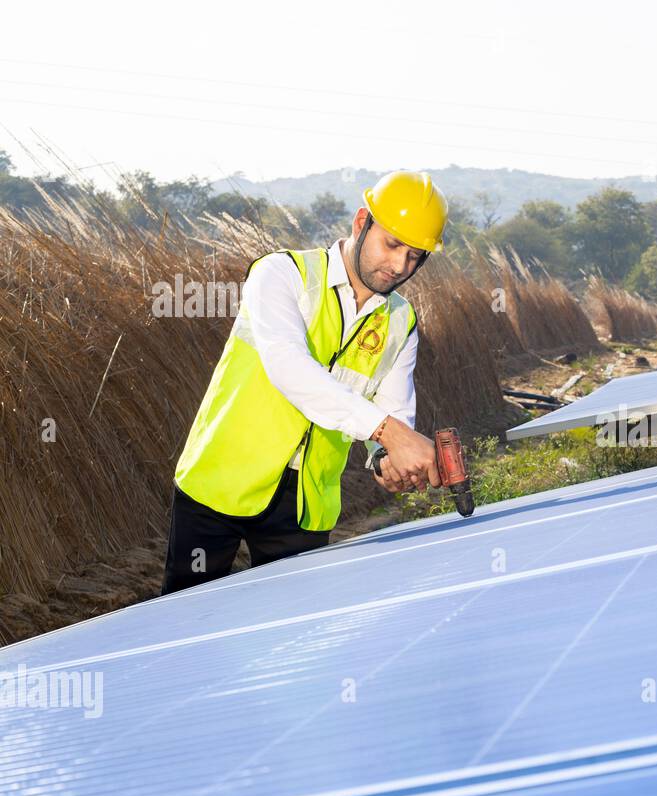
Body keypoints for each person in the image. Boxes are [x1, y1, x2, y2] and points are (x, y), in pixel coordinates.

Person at [159, 170, 449, 595]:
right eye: (392, 244)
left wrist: (385, 460)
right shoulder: (282, 274)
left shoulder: (402, 322)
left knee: (293, 641)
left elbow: (393, 413)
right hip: (219, 481)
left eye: (416, 256)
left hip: (305, 506)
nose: (399, 266)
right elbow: (287, 366)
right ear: (361, 222)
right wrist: (391, 434)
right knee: (184, 623)